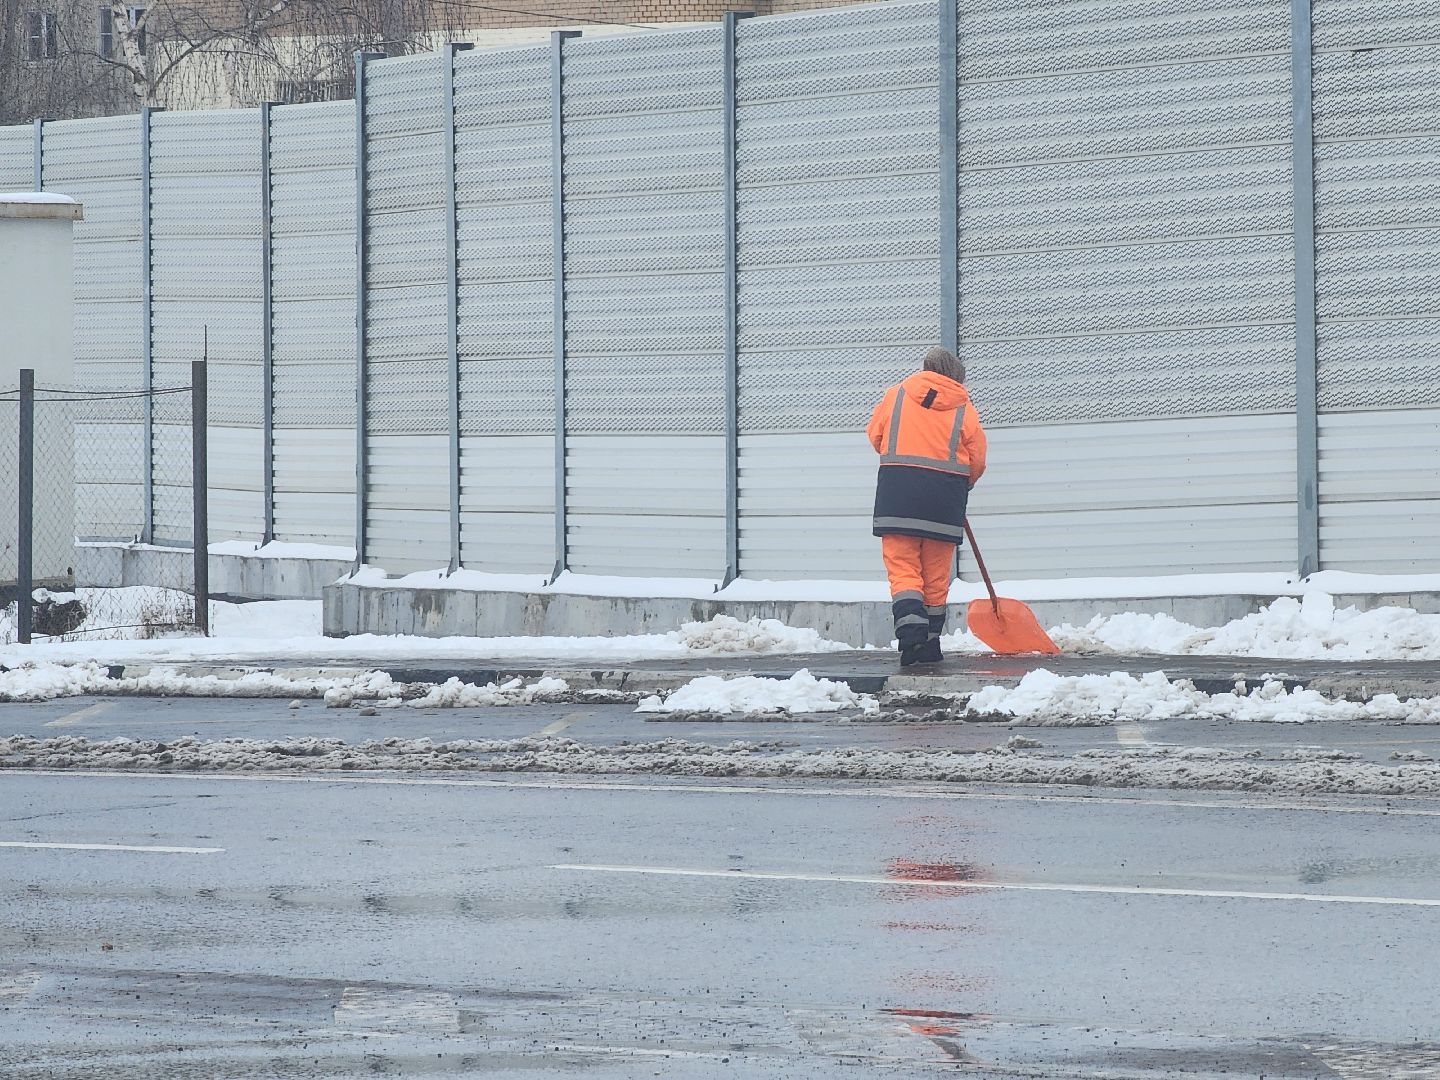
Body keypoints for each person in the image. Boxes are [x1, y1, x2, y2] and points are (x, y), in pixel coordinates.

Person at [866, 347, 987, 667]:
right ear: (957, 376)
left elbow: (876, 435)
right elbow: (977, 460)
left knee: (903, 569)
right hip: (944, 499)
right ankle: (930, 644)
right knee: (935, 574)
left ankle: (911, 641)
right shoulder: (964, 407)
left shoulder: (896, 395)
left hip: (898, 492)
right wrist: (963, 484)